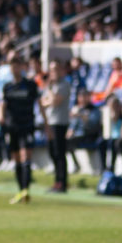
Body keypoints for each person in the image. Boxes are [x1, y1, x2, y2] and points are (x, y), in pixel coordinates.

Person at [0, 56, 40, 204]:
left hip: (27, 124)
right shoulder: (7, 87)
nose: (15, 69)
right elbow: (2, 103)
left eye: (17, 66)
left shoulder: (30, 85)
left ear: (22, 67)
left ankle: (26, 190)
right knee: (16, 159)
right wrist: (0, 115)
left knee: (26, 157)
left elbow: (39, 103)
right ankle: (20, 190)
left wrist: (46, 125)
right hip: (12, 126)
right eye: (12, 66)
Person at [40, 59, 72, 193]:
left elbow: (54, 101)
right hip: (50, 121)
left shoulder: (64, 85)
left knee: (59, 152)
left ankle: (62, 182)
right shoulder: (50, 86)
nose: (53, 73)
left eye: (55, 69)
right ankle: (57, 180)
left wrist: (50, 94)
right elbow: (42, 102)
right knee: (52, 152)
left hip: (60, 122)